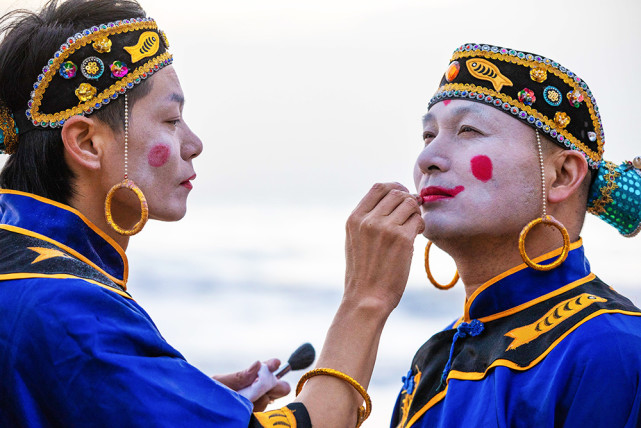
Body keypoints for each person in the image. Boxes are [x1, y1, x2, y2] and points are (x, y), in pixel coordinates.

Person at [0, 1, 425, 427]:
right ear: (88, 143)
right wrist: (365, 300)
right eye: (171, 119)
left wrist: (182, 400)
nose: (194, 142)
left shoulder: (27, 274)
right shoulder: (64, 305)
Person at [390, 43, 641, 427]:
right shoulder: (432, 360)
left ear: (562, 176)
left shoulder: (612, 346)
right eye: (428, 135)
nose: (427, 159)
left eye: (468, 130)